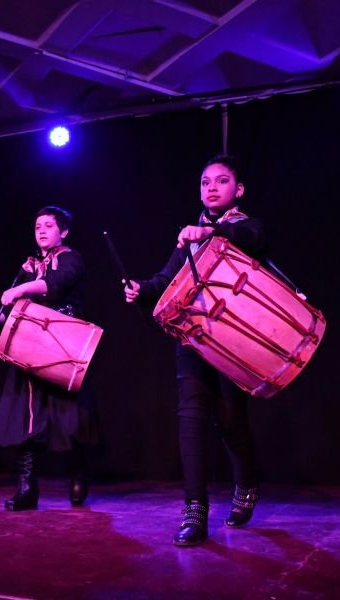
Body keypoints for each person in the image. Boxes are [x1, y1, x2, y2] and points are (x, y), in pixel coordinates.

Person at [123, 154, 266, 546]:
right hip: (193, 335)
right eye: (205, 182)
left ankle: (247, 480)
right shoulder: (191, 233)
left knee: (231, 420)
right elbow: (167, 278)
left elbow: (250, 239)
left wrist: (209, 235)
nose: (212, 188)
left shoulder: (243, 227)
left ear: (238, 190)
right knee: (190, 417)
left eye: (221, 181)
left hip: (233, 340)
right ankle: (194, 511)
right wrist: (142, 288)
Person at [0, 206, 98, 511]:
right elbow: (15, 305)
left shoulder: (70, 258)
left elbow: (54, 285)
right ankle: (27, 487)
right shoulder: (29, 266)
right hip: (29, 343)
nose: (41, 230)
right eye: (37, 226)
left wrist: (20, 289)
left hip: (61, 343)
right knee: (24, 414)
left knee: (69, 415)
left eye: (48, 225)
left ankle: (78, 474)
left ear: (63, 231)